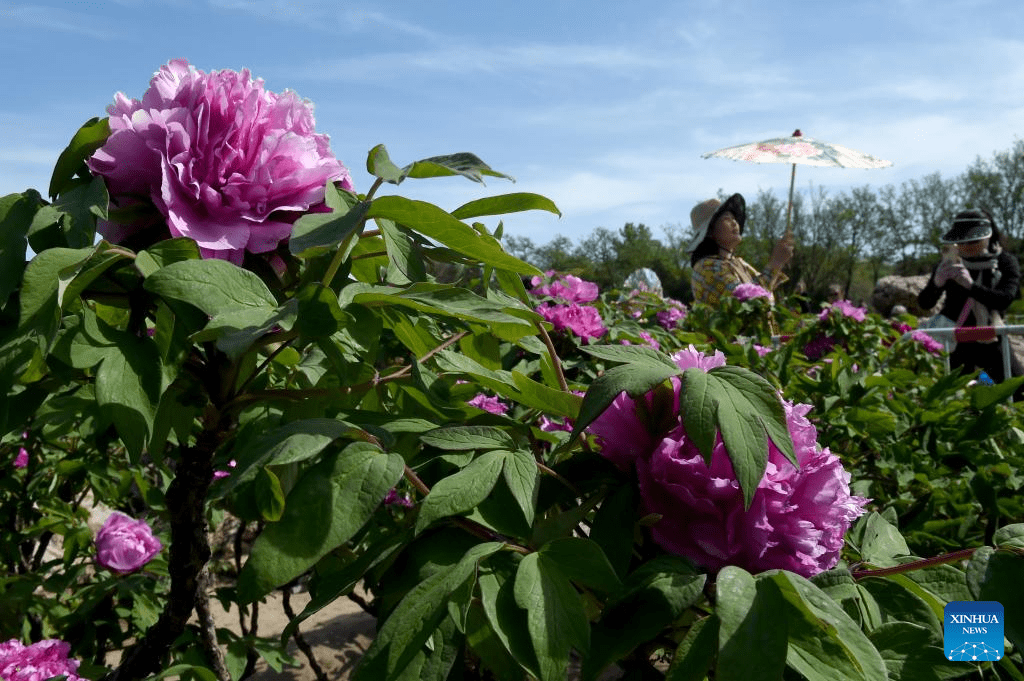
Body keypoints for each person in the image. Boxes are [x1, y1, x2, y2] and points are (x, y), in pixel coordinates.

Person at [918, 208, 1023, 384]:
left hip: (991, 338)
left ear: (988, 236)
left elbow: (1004, 300)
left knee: (1018, 390)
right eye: (962, 241)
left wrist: (971, 286)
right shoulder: (949, 264)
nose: (966, 246)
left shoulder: (1005, 262)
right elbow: (925, 303)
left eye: (973, 241)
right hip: (955, 340)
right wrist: (937, 283)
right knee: (948, 396)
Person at [686, 193, 794, 306]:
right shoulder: (706, 268)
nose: (734, 223)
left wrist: (780, 261)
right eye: (727, 219)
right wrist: (776, 263)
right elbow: (749, 304)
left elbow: (763, 288)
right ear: (709, 232)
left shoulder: (739, 263)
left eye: (734, 218)